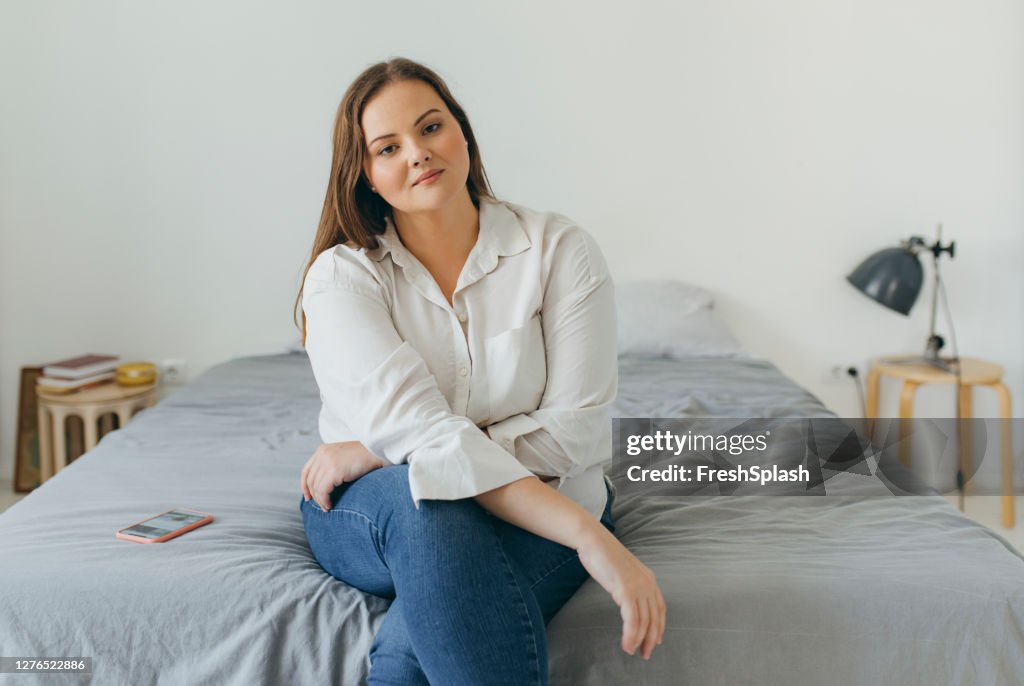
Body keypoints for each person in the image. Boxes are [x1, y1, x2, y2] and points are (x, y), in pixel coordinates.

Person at [294, 57, 665, 686]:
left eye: (431, 127)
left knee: (411, 647)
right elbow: (425, 442)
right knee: (429, 505)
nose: (417, 153)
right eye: (388, 147)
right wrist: (588, 536)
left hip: (549, 493)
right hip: (374, 512)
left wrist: (382, 451)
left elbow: (573, 438)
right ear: (367, 176)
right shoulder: (343, 278)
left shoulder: (558, 250)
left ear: (461, 132)